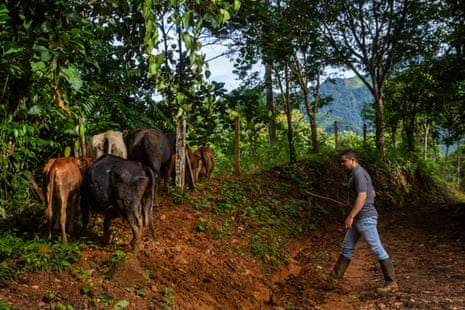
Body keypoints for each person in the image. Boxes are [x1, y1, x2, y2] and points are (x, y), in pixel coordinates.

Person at [325, 149, 398, 293]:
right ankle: (333, 278)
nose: (342, 164)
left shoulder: (358, 174)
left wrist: (351, 215)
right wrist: (354, 206)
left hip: (364, 218)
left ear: (353, 160)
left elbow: (363, 196)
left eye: (344, 161)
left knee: (376, 248)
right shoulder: (358, 173)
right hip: (360, 217)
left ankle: (391, 282)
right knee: (347, 247)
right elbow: (372, 193)